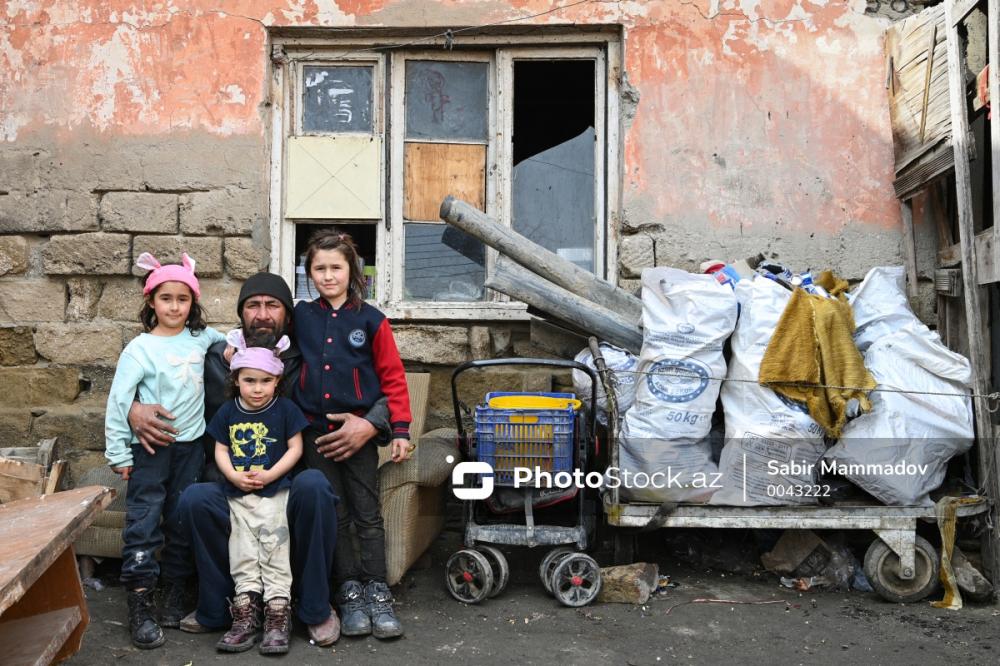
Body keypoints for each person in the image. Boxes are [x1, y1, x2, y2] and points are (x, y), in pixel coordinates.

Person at [127, 271, 391, 648]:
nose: (262, 314)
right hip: (233, 477)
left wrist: (372, 421)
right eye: (253, 305)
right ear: (241, 313)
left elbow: (383, 385)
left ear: (288, 314)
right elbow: (162, 373)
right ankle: (219, 607)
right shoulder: (215, 356)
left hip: (290, 479)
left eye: (272, 306)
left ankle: (315, 607)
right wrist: (133, 407)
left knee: (316, 487)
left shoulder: (312, 356)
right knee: (196, 497)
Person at [105, 253, 226, 650]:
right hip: (151, 449)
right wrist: (119, 454)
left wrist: (239, 352)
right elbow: (120, 401)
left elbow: (228, 346)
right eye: (166, 298)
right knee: (144, 520)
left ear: (193, 302)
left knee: (179, 521)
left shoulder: (201, 338)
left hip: (190, 450)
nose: (174, 307)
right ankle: (140, 599)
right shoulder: (139, 349)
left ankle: (174, 590)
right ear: (151, 302)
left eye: (183, 299)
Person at [294, 228, 411, 640]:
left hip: (358, 433)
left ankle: (377, 589)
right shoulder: (301, 316)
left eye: (336, 268)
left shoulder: (371, 320)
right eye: (319, 269)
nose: (328, 276)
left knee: (367, 513)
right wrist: (233, 346)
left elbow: (393, 378)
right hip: (316, 436)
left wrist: (399, 430)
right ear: (309, 273)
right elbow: (269, 345)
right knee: (336, 514)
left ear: (352, 270)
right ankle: (348, 590)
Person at [208, 330, 306, 655]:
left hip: (275, 494)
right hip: (239, 497)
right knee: (242, 552)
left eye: (266, 381)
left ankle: (277, 614)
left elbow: (295, 448)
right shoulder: (228, 411)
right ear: (236, 380)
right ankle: (245, 614)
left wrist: (270, 475)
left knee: (275, 549)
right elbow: (221, 449)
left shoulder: (285, 409)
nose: (258, 388)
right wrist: (234, 476)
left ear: (277, 380)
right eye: (249, 380)